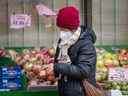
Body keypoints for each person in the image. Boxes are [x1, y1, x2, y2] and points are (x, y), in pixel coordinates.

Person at [47, 6, 97, 96]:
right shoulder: (63, 40)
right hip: (65, 89)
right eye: (60, 29)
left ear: (72, 28)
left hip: (80, 91)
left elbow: (83, 71)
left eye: (63, 29)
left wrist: (57, 67)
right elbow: (58, 60)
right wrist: (54, 71)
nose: (61, 32)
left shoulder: (86, 44)